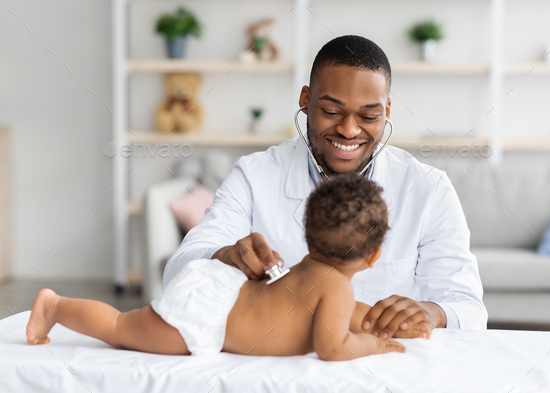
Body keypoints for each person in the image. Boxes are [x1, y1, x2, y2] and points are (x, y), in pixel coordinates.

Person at [163, 35, 488, 338]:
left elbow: (469, 309)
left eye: (368, 116)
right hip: (281, 362)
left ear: (386, 112)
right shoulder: (255, 175)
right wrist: (223, 255)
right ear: (306, 100)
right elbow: (179, 269)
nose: (348, 130)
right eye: (331, 111)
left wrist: (433, 312)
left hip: (388, 365)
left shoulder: (428, 188)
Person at [26, 174, 423, 360]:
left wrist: (386, 321)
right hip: (209, 314)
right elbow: (332, 346)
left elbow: (346, 316)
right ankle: (54, 307)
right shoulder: (337, 287)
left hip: (225, 290)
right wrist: (372, 345)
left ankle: (57, 308)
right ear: (373, 256)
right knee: (119, 329)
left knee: (121, 325)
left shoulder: (314, 270)